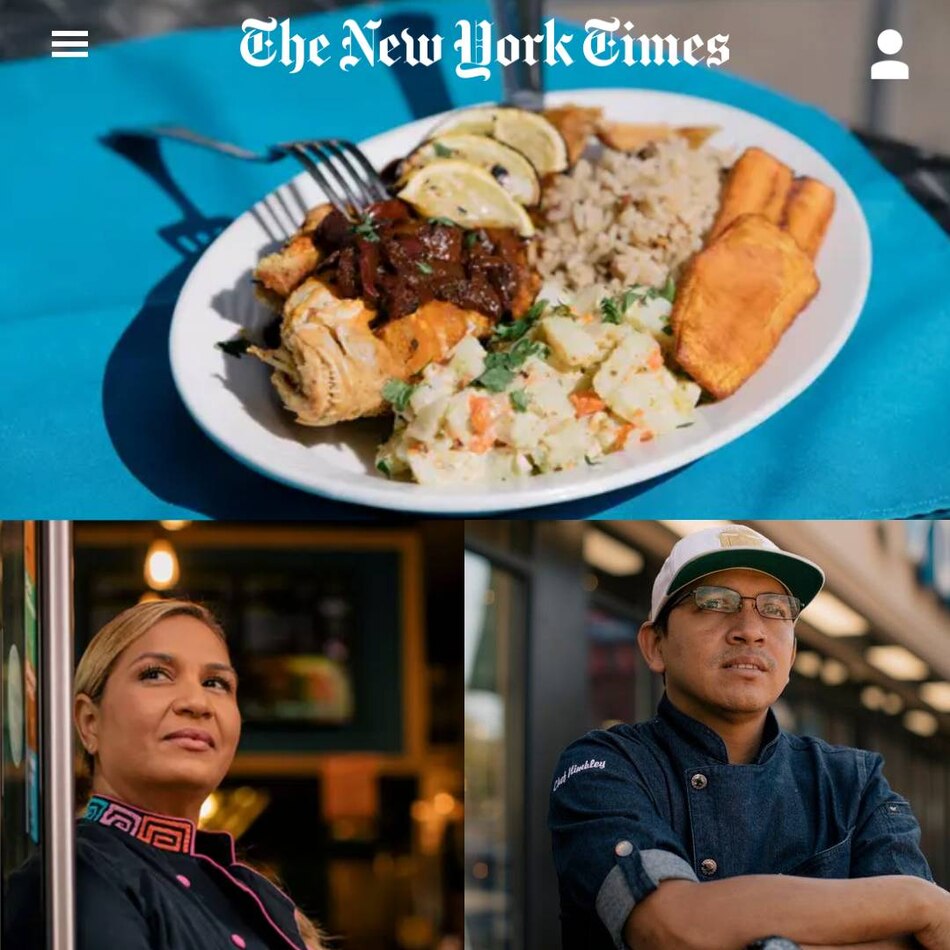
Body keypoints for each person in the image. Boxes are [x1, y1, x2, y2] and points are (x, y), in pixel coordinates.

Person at [549, 525, 950, 950]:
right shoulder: (604, 766)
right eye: (715, 602)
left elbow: (914, 942)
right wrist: (919, 899)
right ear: (655, 645)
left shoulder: (853, 781)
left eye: (776, 609)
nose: (751, 630)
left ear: (791, 655)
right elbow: (668, 926)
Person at [4, 599, 325, 950]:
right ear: (89, 722)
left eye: (216, 683)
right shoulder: (69, 877)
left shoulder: (255, 893)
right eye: (155, 674)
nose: (197, 702)